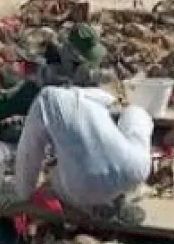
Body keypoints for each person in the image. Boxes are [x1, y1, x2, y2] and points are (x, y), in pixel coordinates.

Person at [12, 85, 154, 221]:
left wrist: (24, 194)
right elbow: (112, 102)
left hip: (84, 187)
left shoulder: (44, 100)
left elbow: (28, 155)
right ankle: (117, 195)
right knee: (136, 113)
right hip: (134, 169)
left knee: (60, 178)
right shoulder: (87, 95)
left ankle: (92, 206)